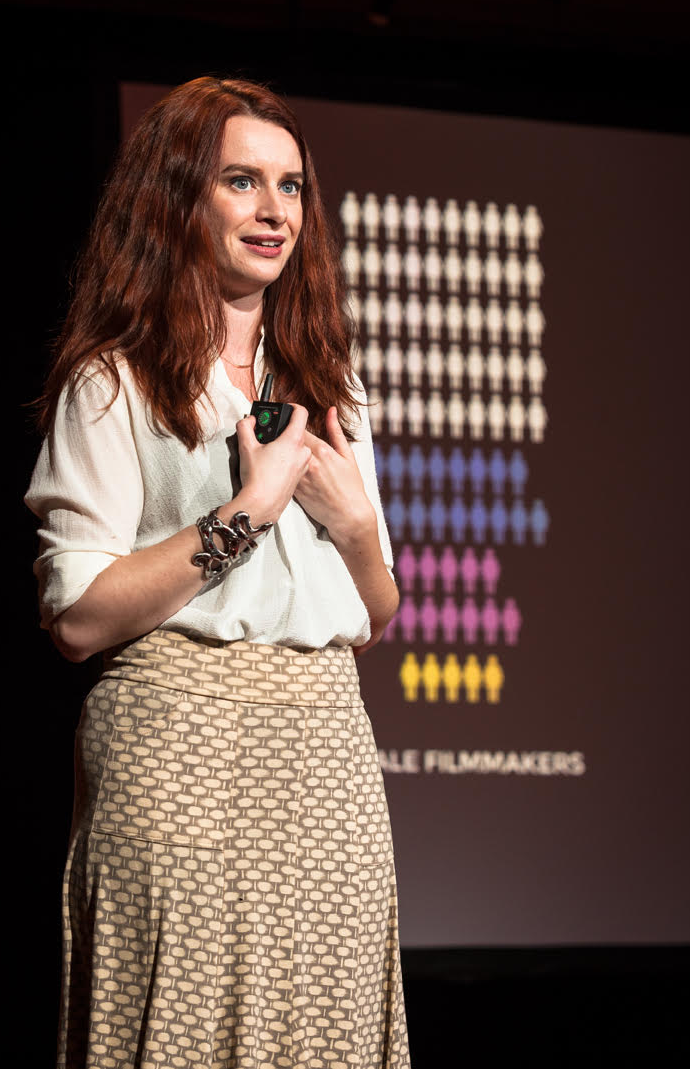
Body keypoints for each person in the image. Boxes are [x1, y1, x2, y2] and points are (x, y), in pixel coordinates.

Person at [25, 76, 410, 1068]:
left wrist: (353, 522)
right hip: (176, 736)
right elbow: (74, 617)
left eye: (288, 186)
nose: (273, 209)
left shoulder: (331, 380)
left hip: (324, 746)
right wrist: (245, 514)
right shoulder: (112, 380)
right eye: (240, 181)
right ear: (179, 198)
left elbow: (374, 612)